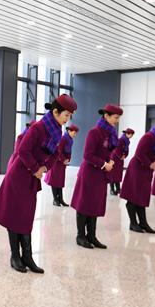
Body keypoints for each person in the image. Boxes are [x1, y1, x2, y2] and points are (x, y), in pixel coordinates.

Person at [0, 94, 77, 273]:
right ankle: (15, 256)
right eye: (66, 115)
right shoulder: (38, 128)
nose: (67, 119)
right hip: (19, 176)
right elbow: (23, 150)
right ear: (55, 111)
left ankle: (27, 256)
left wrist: (44, 168)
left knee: (26, 215)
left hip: (33, 177)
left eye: (69, 116)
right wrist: (36, 168)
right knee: (15, 215)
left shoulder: (57, 131)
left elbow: (54, 154)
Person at [71, 104, 122, 249]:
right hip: (89, 174)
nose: (117, 121)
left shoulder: (110, 133)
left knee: (95, 204)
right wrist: (103, 164)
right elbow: (87, 155)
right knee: (84, 204)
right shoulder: (94, 132)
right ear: (106, 116)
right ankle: (81, 236)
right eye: (115, 118)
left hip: (100, 174)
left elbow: (110, 150)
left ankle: (91, 236)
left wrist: (111, 159)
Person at [121, 116, 155, 233]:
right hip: (137, 169)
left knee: (142, 196)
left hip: (146, 170)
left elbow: (154, 154)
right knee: (133, 196)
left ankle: (143, 222)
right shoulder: (149, 136)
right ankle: (133, 223)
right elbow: (139, 153)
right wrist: (150, 163)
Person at [44, 124, 79, 207]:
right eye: (74, 133)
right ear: (69, 131)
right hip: (56, 162)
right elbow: (59, 150)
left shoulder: (70, 140)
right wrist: (63, 159)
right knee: (54, 181)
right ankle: (55, 199)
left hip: (62, 164)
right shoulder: (63, 139)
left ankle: (61, 199)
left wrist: (68, 159)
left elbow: (69, 151)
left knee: (60, 181)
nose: (75, 135)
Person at [108, 128, 134, 195]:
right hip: (114, 158)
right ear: (127, 134)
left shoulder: (127, 141)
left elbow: (127, 150)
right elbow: (116, 149)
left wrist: (125, 155)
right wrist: (120, 156)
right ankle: (112, 189)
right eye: (131, 135)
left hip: (120, 159)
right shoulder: (120, 140)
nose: (131, 136)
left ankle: (118, 189)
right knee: (113, 174)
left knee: (118, 174)